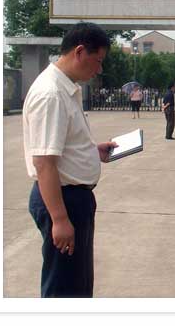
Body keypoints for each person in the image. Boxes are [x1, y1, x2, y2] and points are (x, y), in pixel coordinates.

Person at [23, 22, 118, 298]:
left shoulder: (65, 89)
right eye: (97, 60)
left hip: (73, 198)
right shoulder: (51, 94)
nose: (99, 69)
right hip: (63, 200)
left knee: (77, 284)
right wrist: (60, 219)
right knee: (64, 289)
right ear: (79, 52)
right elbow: (44, 162)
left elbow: (61, 146)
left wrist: (92, 151)